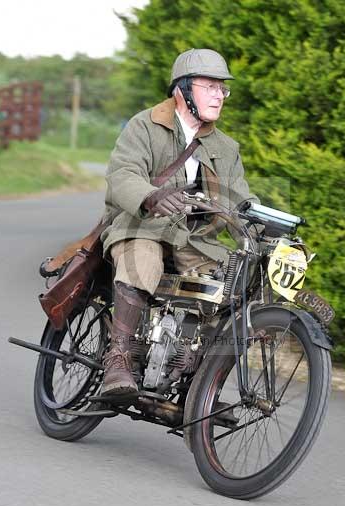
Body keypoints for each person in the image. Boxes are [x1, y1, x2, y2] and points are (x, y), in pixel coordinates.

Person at [99, 48, 258, 395]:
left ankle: (194, 373)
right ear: (182, 89)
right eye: (210, 86)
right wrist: (150, 196)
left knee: (231, 286)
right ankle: (119, 358)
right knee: (141, 260)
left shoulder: (226, 148)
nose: (220, 94)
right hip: (141, 227)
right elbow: (123, 173)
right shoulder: (146, 125)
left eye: (223, 88)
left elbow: (241, 200)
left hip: (192, 241)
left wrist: (267, 227)